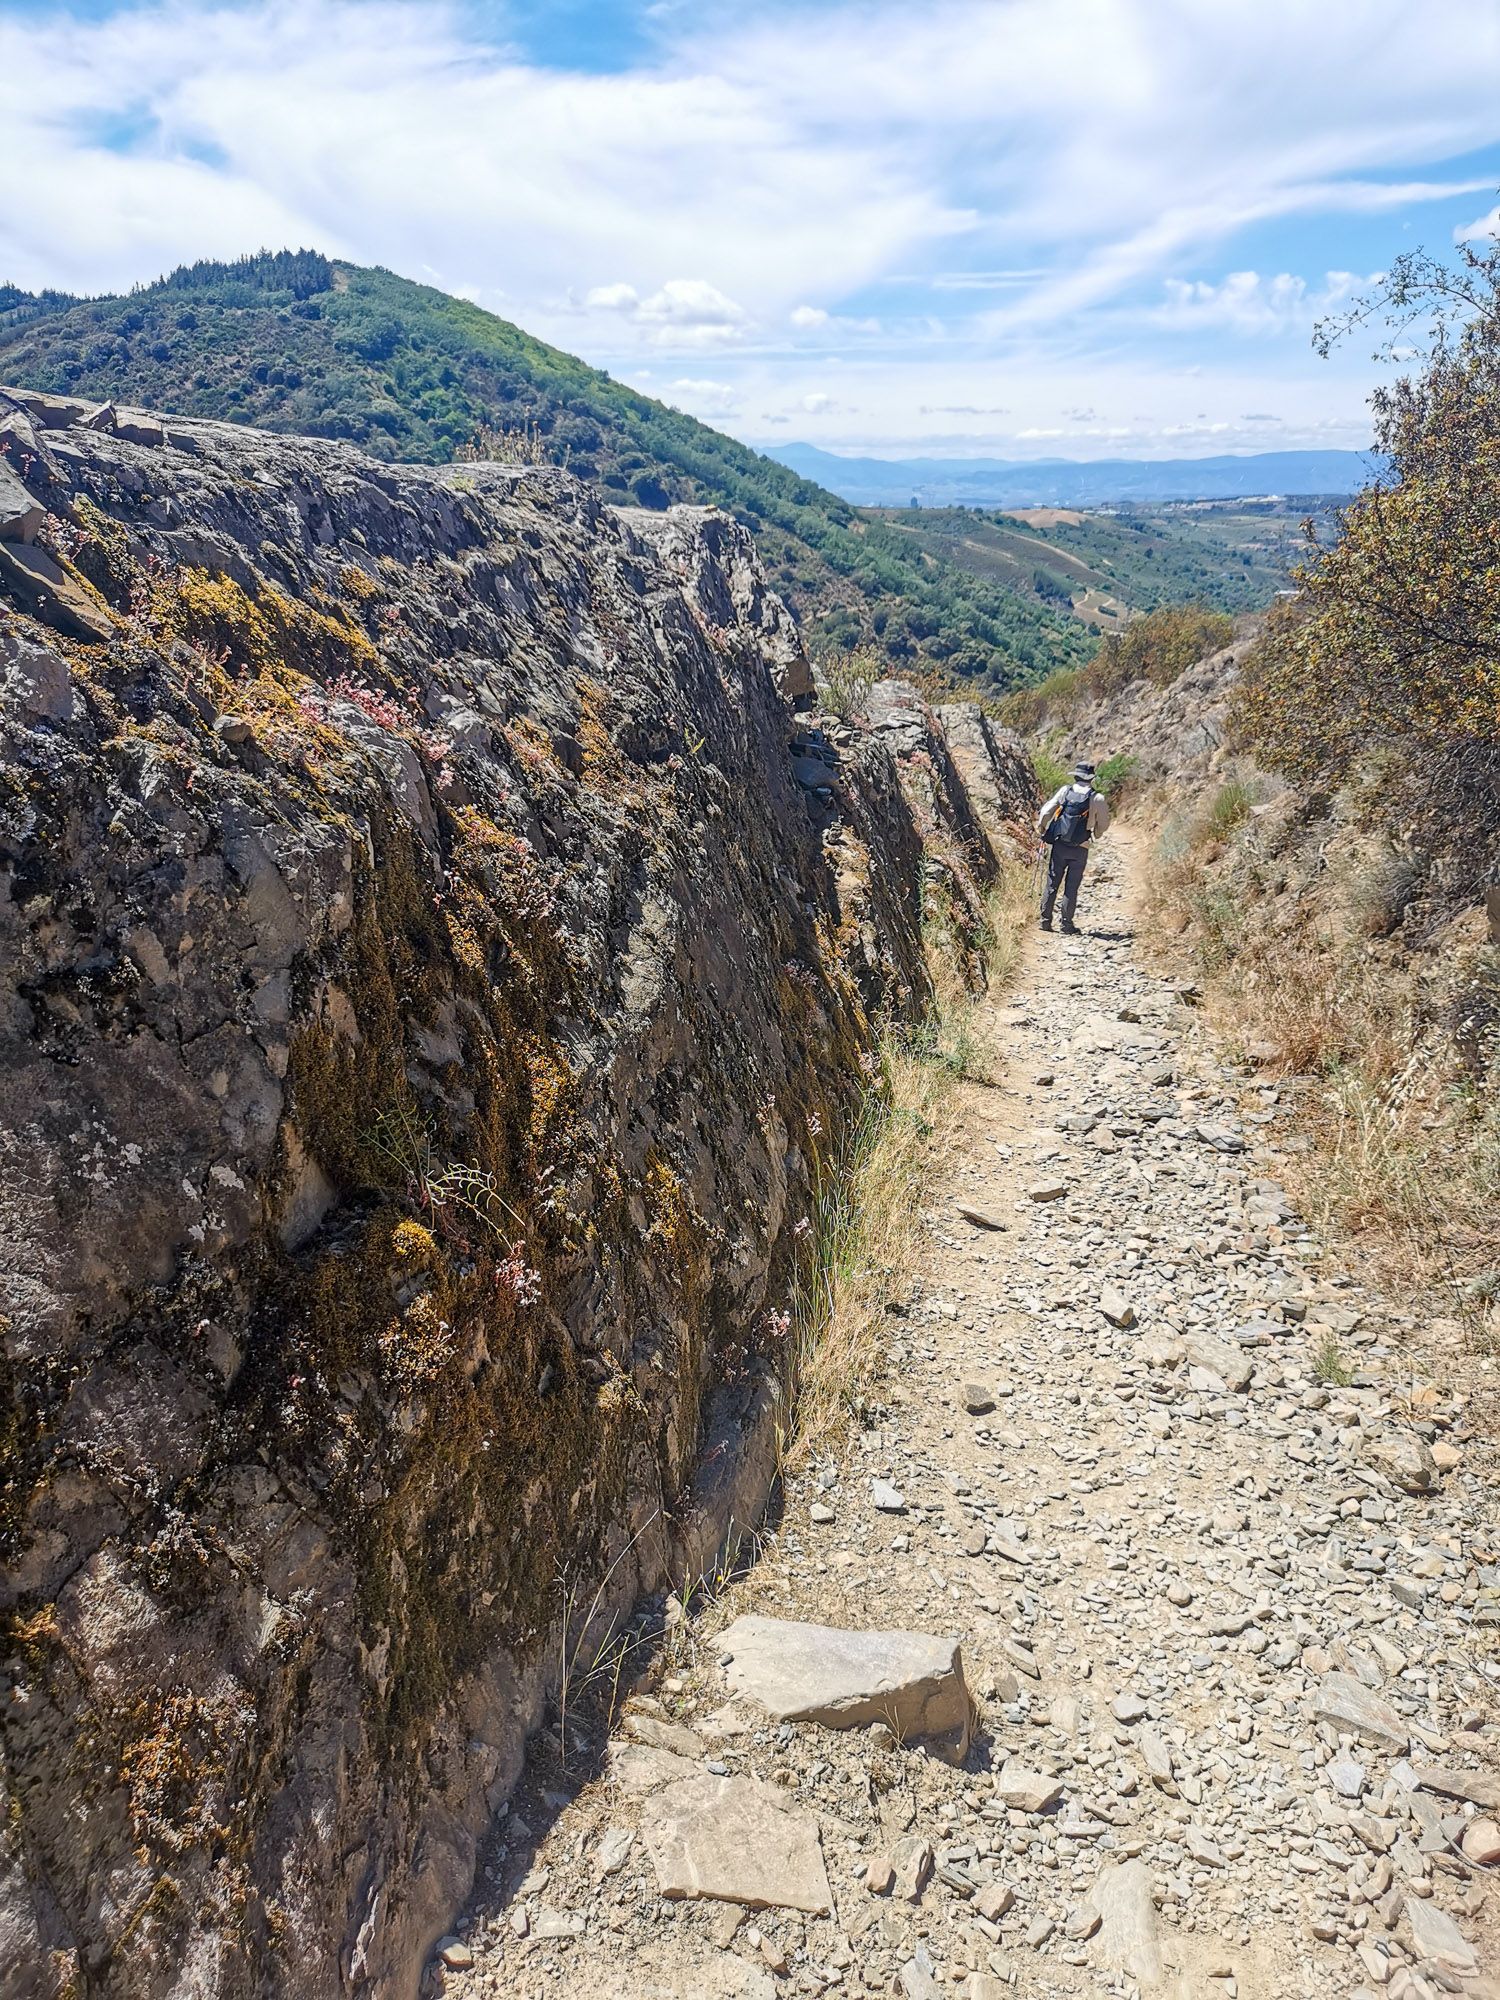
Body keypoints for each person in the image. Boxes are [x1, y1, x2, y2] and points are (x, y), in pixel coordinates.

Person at [1036, 760, 1111, 933]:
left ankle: (1045, 922)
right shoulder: (1097, 798)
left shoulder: (1065, 791)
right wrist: (1097, 834)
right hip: (1081, 847)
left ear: (1076, 776)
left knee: (1052, 882)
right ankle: (1066, 925)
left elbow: (1046, 811)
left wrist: (1042, 828)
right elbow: (1104, 823)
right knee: (1072, 886)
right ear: (1091, 779)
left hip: (1060, 845)